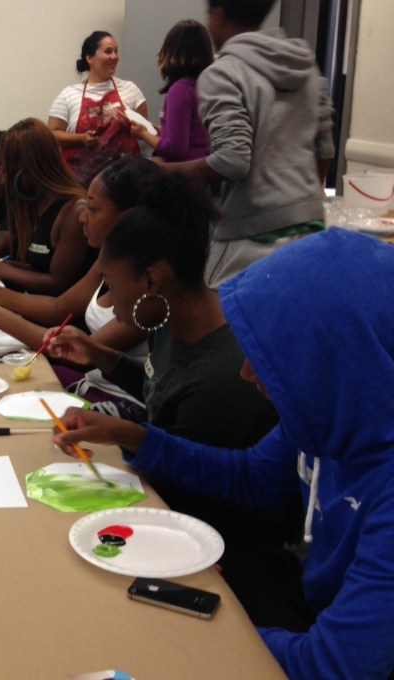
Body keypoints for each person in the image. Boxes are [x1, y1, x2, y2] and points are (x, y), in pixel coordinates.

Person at [54, 229, 394, 680]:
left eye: (276, 359)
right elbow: (252, 476)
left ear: (334, 362)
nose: (247, 372)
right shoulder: (333, 409)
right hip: (312, 600)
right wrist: (133, 435)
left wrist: (194, 636)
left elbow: (335, 666)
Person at [46, 173, 285, 549]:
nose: (107, 296)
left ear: (152, 281)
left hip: (217, 535)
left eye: (109, 282)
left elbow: (189, 482)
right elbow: (162, 386)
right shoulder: (169, 316)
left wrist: (122, 433)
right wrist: (102, 357)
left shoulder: (224, 376)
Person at [0, 158, 154, 418]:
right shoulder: (109, 258)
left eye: (92, 208)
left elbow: (78, 353)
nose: (83, 215)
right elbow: (59, 307)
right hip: (93, 386)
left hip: (120, 401)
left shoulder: (150, 286)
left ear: (129, 217)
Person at [161, 0, 334, 288]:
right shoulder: (305, 67)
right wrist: (304, 195)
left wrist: (166, 171)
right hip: (310, 231)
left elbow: (232, 160)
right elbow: (324, 147)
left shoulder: (222, 73)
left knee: (218, 322)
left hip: (251, 235)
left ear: (218, 14)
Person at [0, 119, 91, 296]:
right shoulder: (38, 205)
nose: (4, 180)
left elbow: (58, 284)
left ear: (25, 168)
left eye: (5, 170)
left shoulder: (74, 211)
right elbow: (35, 268)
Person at [48, 31, 148, 186]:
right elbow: (51, 135)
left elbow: (144, 132)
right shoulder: (68, 95)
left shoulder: (130, 90)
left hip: (126, 183)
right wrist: (81, 139)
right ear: (89, 58)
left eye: (116, 51)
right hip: (80, 185)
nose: (114, 57)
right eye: (108, 51)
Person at [129, 20, 213, 162]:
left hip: (183, 172)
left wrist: (143, 133)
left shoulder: (180, 90)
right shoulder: (203, 84)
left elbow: (175, 149)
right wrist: (161, 131)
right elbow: (193, 135)